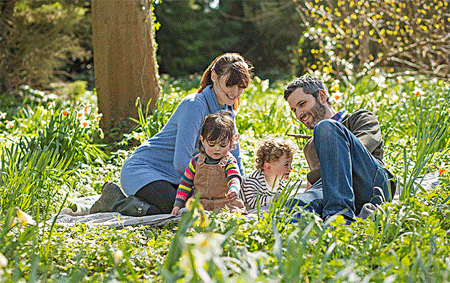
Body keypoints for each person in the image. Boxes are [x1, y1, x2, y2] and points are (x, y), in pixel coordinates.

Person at [90, 53, 253, 216]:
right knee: (177, 210)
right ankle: (114, 200)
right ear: (214, 76)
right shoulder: (195, 105)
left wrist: (240, 188)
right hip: (144, 170)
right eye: (230, 84)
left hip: (176, 178)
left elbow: (234, 157)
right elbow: (181, 162)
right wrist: (209, 186)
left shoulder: (227, 111)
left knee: (204, 206)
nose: (235, 92)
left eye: (241, 86)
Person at [283, 74, 395, 222]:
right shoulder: (310, 147)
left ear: (322, 97)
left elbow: (361, 148)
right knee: (296, 205)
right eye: (294, 110)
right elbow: (326, 181)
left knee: (326, 127)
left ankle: (339, 218)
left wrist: (313, 176)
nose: (299, 114)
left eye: (302, 104)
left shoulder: (361, 118)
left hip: (370, 185)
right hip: (335, 193)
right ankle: (312, 236)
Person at [171, 111, 247, 215]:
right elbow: (185, 183)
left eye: (223, 145)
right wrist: (177, 204)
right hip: (201, 203)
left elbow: (233, 177)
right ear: (203, 140)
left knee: (232, 215)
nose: (217, 149)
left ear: (230, 142)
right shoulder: (196, 161)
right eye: (212, 144)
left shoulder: (229, 161)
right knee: (188, 213)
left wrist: (233, 189)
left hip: (224, 203)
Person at [240, 137, 298, 210]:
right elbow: (254, 202)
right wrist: (275, 199)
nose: (290, 168)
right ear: (268, 167)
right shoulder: (253, 180)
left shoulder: (280, 183)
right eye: (286, 165)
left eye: (290, 164)